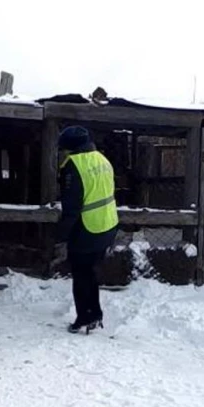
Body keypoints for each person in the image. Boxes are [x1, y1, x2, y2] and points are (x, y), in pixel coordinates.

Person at [57, 126, 118, 334]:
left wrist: (60, 236)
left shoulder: (73, 166)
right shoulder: (102, 159)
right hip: (107, 223)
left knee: (81, 274)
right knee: (91, 272)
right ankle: (95, 313)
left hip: (87, 227)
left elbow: (72, 207)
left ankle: (84, 316)